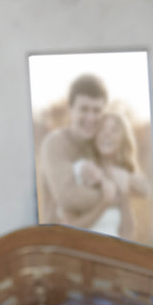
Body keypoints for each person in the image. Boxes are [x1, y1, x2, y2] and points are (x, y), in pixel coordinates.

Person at [38, 74, 117, 229]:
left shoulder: (100, 147)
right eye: (84, 109)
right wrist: (111, 195)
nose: (91, 117)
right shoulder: (55, 142)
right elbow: (68, 197)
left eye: (97, 110)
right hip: (60, 246)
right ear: (70, 109)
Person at [72, 111, 151, 239]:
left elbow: (127, 236)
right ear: (95, 136)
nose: (107, 134)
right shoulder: (83, 169)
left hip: (112, 253)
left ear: (123, 140)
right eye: (102, 129)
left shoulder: (124, 176)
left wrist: (124, 193)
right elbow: (70, 226)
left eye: (114, 130)